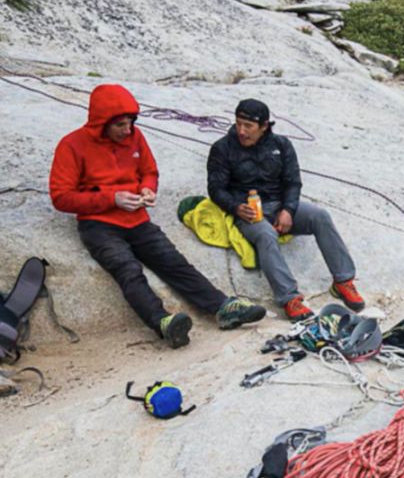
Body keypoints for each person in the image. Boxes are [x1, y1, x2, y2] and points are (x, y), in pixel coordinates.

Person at [49, 84, 266, 348]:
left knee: (173, 262)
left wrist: (147, 189)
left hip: (137, 219)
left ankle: (222, 307)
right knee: (128, 270)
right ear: (101, 122)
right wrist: (111, 198)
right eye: (120, 125)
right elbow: (60, 197)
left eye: (130, 123)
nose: (127, 130)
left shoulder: (135, 137)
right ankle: (162, 322)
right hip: (99, 225)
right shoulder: (73, 145)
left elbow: (149, 171)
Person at [207, 99, 364, 321]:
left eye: (248, 126)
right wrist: (235, 207)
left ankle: (343, 280)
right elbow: (215, 188)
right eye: (238, 124)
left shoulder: (281, 145)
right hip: (248, 211)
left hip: (280, 204)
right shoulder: (222, 148)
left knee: (320, 216)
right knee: (265, 234)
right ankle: (289, 298)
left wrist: (288, 210)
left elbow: (293, 182)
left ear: (264, 126)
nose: (241, 131)